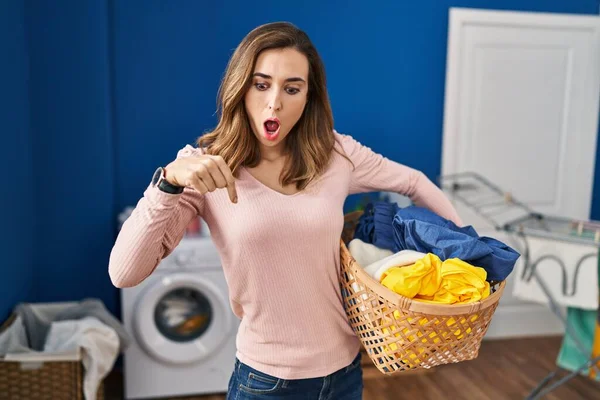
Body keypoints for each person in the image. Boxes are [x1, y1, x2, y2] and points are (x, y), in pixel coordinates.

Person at [109, 21, 463, 400]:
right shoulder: (205, 167)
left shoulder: (336, 154)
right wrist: (168, 183)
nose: (274, 101)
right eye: (261, 84)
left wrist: (470, 254)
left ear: (309, 97)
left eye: (292, 88)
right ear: (241, 88)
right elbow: (124, 273)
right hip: (264, 383)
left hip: (344, 375)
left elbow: (414, 182)